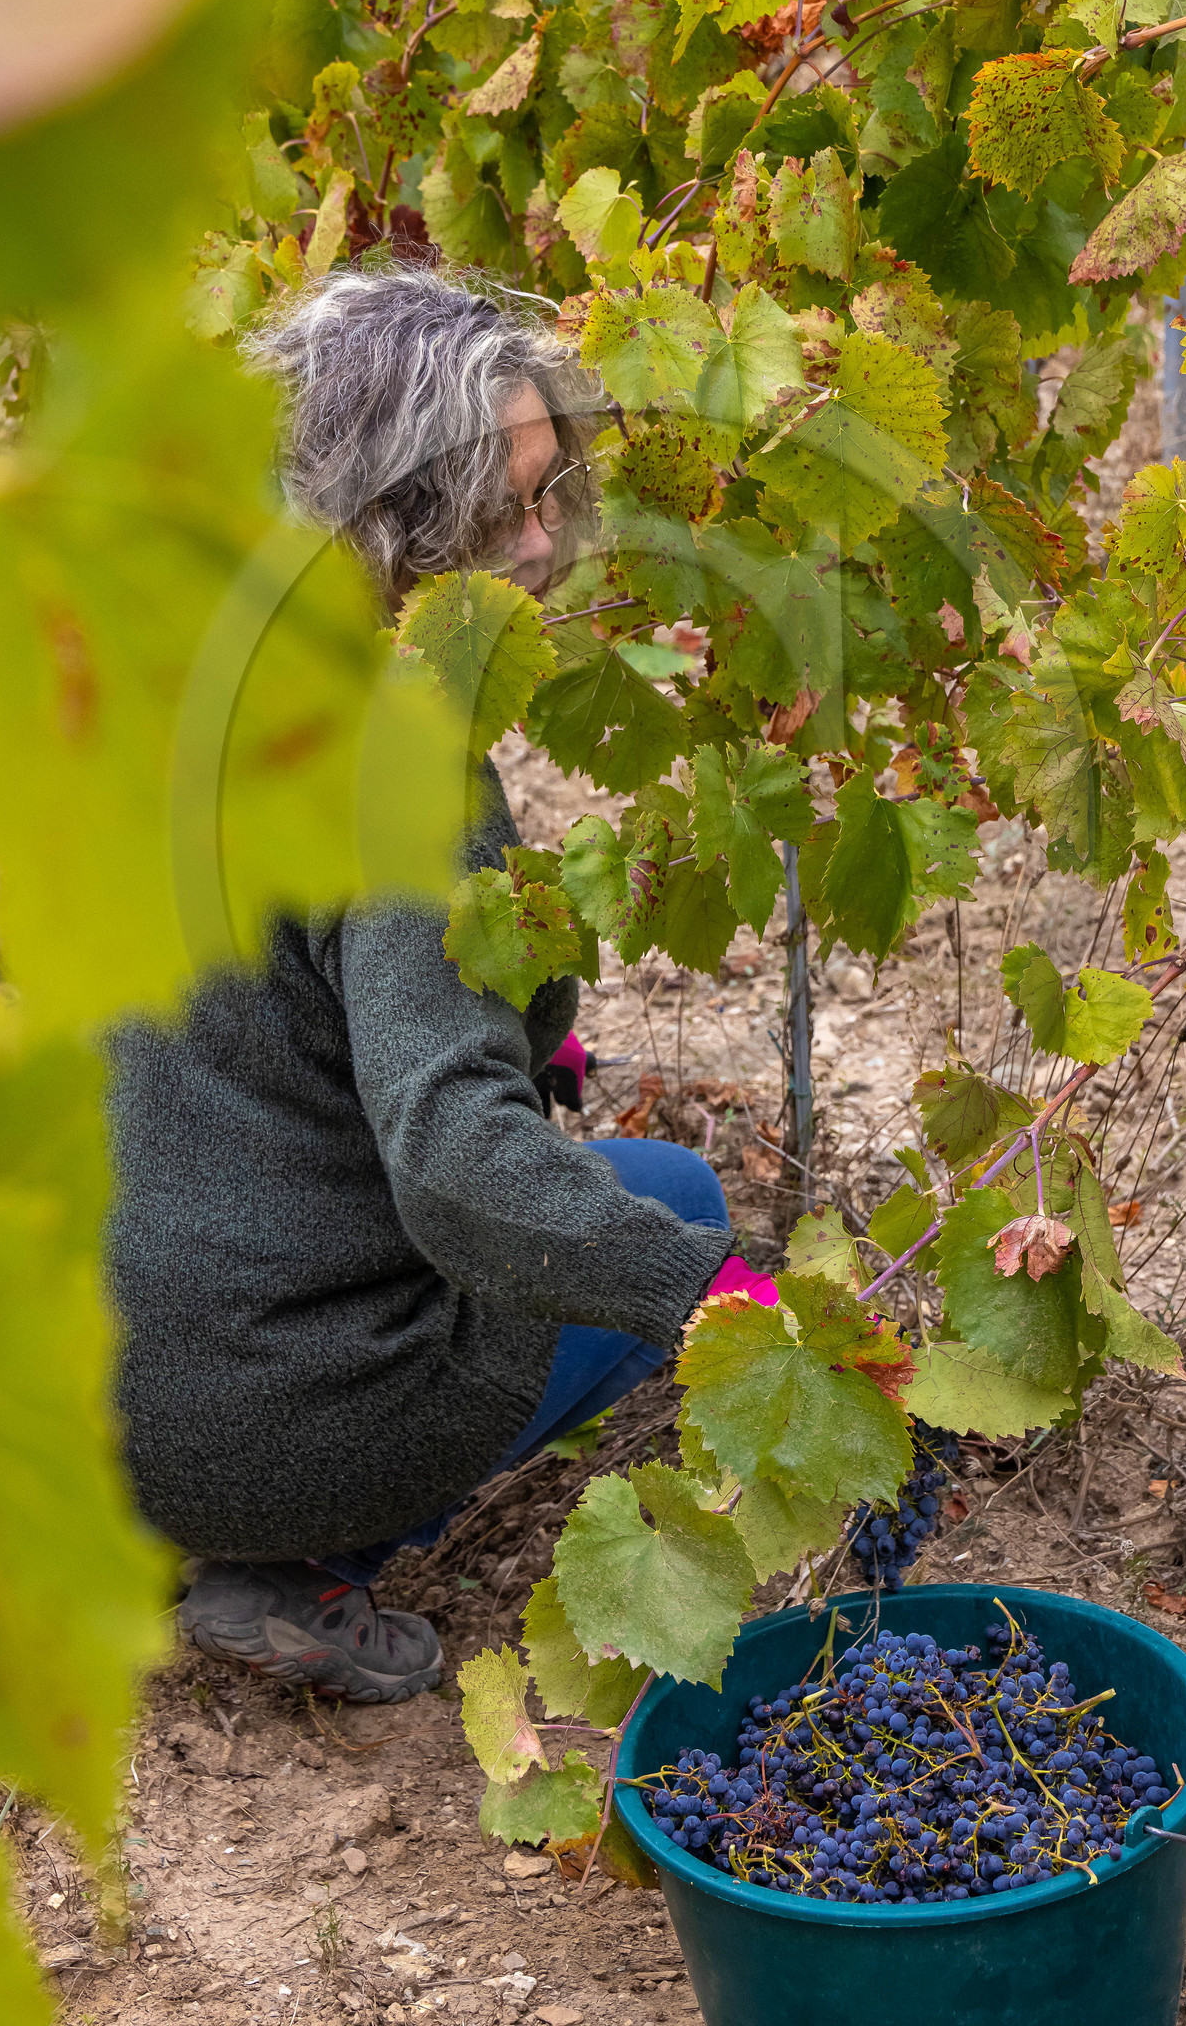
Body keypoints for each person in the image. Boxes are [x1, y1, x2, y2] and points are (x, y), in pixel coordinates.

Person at [105, 263, 765, 1706]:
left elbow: (251, 1015)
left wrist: (511, 1036)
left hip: (76, 1391)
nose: (540, 544)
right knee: (674, 1196)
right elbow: (458, 1166)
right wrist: (712, 1293)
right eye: (500, 510)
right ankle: (303, 1560)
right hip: (255, 1427)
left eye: (544, 498)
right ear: (394, 523)